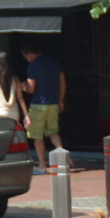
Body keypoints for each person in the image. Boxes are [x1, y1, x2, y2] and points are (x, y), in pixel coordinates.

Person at [22, 44, 67, 175]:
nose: (25, 59)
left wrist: (23, 87)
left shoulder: (33, 66)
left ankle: (42, 166)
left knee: (37, 136)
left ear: (29, 53)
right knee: (53, 132)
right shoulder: (54, 63)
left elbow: (31, 89)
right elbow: (63, 82)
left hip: (38, 105)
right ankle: (64, 158)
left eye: (25, 55)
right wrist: (61, 100)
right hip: (53, 103)